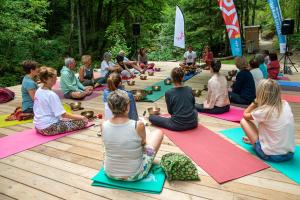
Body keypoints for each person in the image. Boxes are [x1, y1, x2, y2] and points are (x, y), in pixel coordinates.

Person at [102, 90, 163, 181]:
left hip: (110, 173)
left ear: (110, 108)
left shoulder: (103, 125)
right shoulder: (138, 125)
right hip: (134, 175)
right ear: (127, 107)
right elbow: (143, 143)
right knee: (158, 133)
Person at [240, 79, 295, 162]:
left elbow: (245, 115)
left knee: (243, 121)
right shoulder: (285, 104)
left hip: (271, 155)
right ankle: (259, 141)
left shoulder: (264, 111)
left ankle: (258, 143)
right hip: (289, 153)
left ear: (260, 95)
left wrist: (255, 102)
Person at [34, 67, 89, 135]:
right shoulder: (51, 95)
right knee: (83, 122)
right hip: (48, 128)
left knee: (69, 119)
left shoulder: (38, 90)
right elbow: (63, 115)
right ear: (47, 79)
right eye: (54, 78)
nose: (56, 79)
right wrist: (82, 117)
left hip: (38, 126)